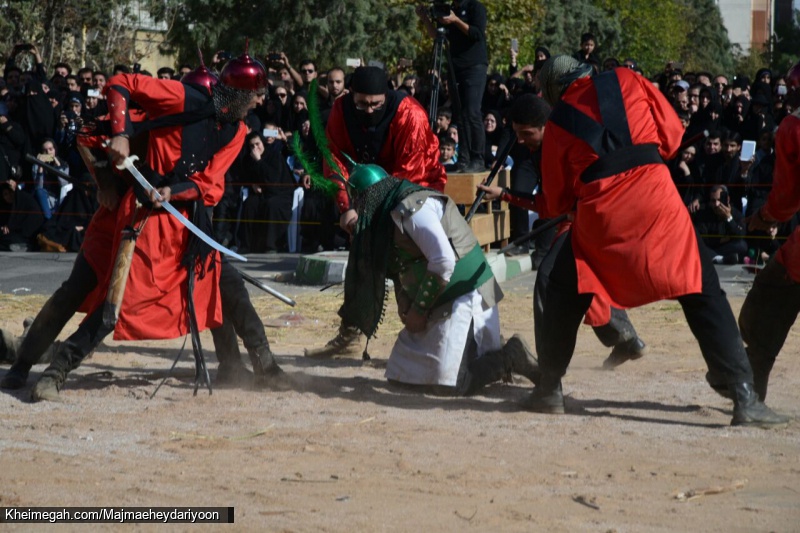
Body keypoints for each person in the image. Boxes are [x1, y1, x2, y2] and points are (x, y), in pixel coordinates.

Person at [0, 48, 275, 401]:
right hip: (131, 216)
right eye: (255, 95)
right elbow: (117, 87)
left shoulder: (236, 133)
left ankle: (55, 372)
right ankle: (22, 367)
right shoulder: (181, 97)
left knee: (211, 285)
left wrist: (170, 191)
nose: (259, 102)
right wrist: (117, 148)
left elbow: (209, 183)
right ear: (237, 93)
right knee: (79, 290)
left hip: (175, 223)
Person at [526, 55, 787, 427]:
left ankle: (549, 389)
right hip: (655, 196)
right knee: (701, 287)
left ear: (555, 89)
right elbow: (671, 136)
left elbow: (555, 201)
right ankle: (744, 396)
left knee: (566, 285)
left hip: (602, 215)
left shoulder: (555, 125)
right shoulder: (626, 79)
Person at [477, 94, 648, 370]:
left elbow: (569, 197)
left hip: (592, 220)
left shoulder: (566, 148)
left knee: (549, 281)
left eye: (526, 133)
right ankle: (625, 339)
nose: (520, 140)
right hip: (576, 219)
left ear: (545, 126)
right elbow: (549, 204)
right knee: (581, 279)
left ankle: (548, 371)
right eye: (517, 134)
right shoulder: (545, 149)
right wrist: (503, 194)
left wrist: (509, 195)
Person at [340, 160, 539, 394]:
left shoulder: (413, 208)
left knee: (455, 384)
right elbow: (398, 263)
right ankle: (481, 355)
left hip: (465, 294)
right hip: (437, 299)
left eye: (360, 202)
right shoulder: (387, 216)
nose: (360, 209)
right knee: (400, 377)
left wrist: (418, 310)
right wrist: (405, 300)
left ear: (371, 196)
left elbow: (444, 260)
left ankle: (510, 356)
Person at [305, 66, 447, 358]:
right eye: (362, 103)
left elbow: (412, 172)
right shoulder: (340, 111)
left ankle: (422, 332)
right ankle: (352, 331)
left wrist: (372, 212)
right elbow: (335, 160)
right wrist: (347, 207)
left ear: (387, 96)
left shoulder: (411, 114)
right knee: (361, 250)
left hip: (415, 190)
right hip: (368, 189)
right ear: (351, 94)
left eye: (376, 104)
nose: (369, 110)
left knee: (404, 256)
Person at [738, 61, 800, 401]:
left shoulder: (793, 126)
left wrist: (766, 216)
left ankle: (747, 383)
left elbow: (787, 197)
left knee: (767, 300)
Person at [417, 0, 488, 173]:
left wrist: (456, 20)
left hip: (474, 66)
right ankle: (463, 159)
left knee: (472, 112)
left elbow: (477, 33)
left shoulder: (475, 7)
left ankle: (478, 158)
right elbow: (437, 35)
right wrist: (425, 18)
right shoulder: (449, 10)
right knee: (460, 115)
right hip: (455, 67)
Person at [692, 185, 747, 264]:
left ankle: (717, 258)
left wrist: (729, 218)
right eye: (713, 201)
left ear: (727, 199)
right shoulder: (704, 213)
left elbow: (740, 235)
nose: (716, 204)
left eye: (719, 200)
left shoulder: (736, 214)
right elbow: (701, 237)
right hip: (710, 248)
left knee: (742, 245)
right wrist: (721, 240)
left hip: (725, 247)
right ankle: (720, 259)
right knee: (697, 246)